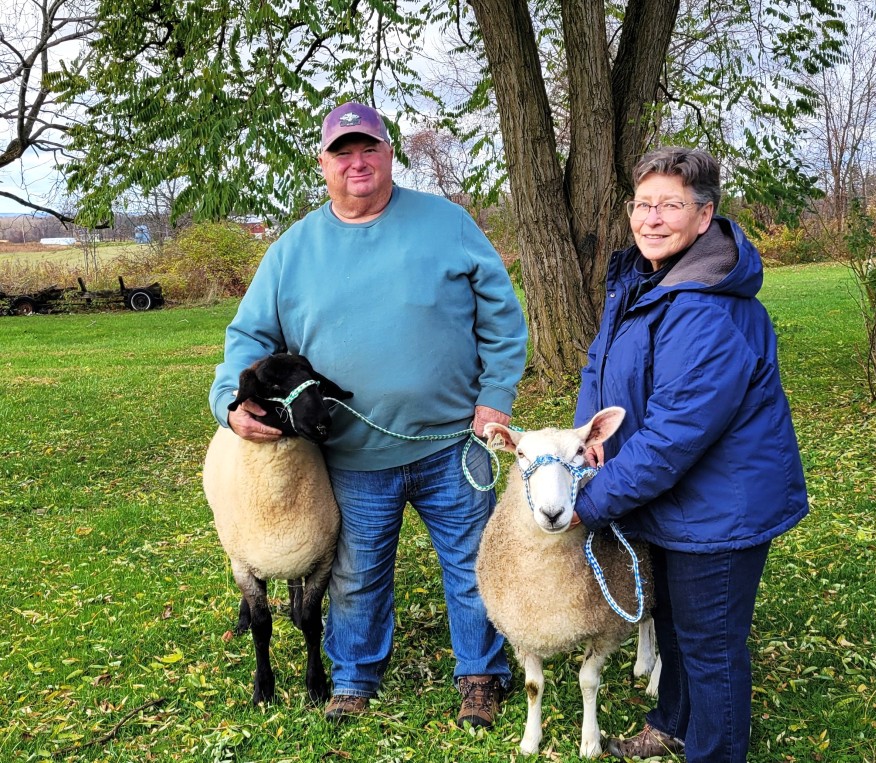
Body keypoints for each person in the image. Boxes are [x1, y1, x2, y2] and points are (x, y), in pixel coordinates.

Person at [209, 101, 527, 728]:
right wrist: (228, 403)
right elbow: (247, 336)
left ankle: (482, 676)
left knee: (471, 565)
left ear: (389, 154)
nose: (357, 161)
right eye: (342, 151)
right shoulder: (292, 250)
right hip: (351, 452)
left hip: (451, 442)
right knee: (354, 575)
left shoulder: (447, 223)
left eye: (369, 148)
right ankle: (353, 678)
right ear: (323, 162)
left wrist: (496, 396)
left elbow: (502, 317)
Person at [570, 146, 808, 762]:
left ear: (704, 218)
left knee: (711, 644)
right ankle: (671, 722)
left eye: (670, 205)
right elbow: (599, 373)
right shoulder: (642, 285)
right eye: (643, 204)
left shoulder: (708, 309)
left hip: (717, 510)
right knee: (671, 623)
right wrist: (584, 447)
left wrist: (590, 500)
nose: (651, 218)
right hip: (666, 501)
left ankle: (715, 751)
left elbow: (675, 435)